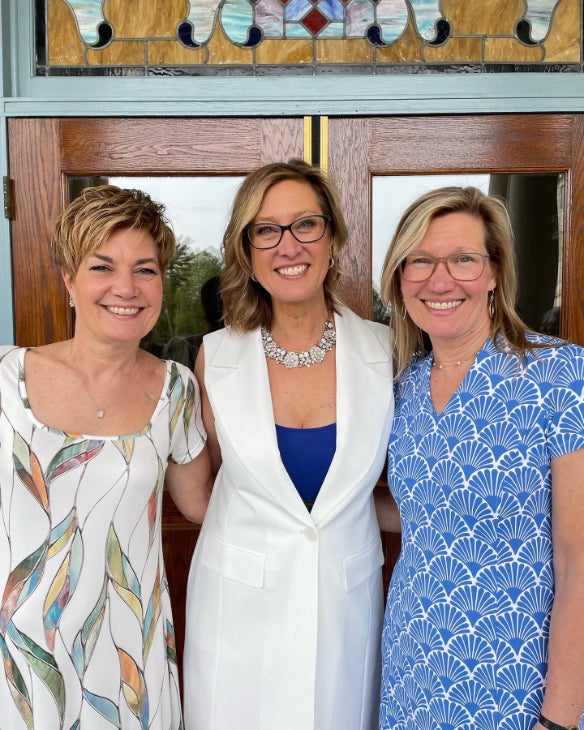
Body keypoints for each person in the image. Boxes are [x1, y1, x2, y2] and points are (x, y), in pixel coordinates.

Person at [182, 159, 394, 730]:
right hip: (237, 610)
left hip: (345, 607)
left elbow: (411, 485)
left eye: (306, 224)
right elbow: (205, 492)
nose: (288, 245)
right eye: (266, 230)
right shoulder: (216, 357)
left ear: (332, 238)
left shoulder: (386, 351)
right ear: (247, 251)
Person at [0, 185, 212, 729]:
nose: (126, 287)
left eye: (145, 269)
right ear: (69, 281)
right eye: (102, 266)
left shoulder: (176, 390)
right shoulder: (5, 378)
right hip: (17, 660)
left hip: (125, 663)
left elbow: (203, 506)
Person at [377, 186, 584, 730]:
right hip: (412, 675)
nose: (439, 280)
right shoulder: (401, 387)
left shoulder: (562, 376)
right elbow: (430, 513)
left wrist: (558, 719)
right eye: (419, 261)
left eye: (463, 260)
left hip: (519, 691)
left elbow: (578, 560)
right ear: (400, 279)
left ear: (494, 273)